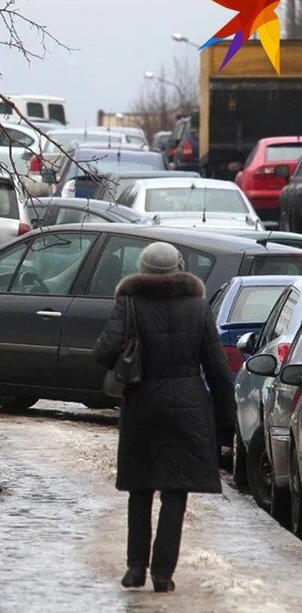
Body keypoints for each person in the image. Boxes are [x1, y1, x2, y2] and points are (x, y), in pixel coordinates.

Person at [95, 242, 234, 594]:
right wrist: (225, 425)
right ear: (179, 268)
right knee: (175, 492)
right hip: (188, 407)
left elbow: (104, 352)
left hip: (142, 403)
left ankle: (134, 568)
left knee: (140, 488)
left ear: (142, 269)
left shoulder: (129, 301)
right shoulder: (198, 305)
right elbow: (217, 369)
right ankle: (162, 575)